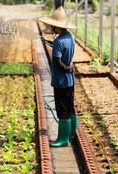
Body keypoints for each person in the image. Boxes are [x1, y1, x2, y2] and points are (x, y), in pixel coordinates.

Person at [39, 6, 78, 147]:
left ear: (56, 26)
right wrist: (50, 43)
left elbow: (57, 61)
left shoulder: (58, 41)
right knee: (70, 107)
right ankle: (72, 134)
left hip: (61, 81)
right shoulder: (69, 37)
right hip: (70, 80)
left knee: (62, 110)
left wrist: (65, 68)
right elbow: (66, 52)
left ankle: (62, 139)